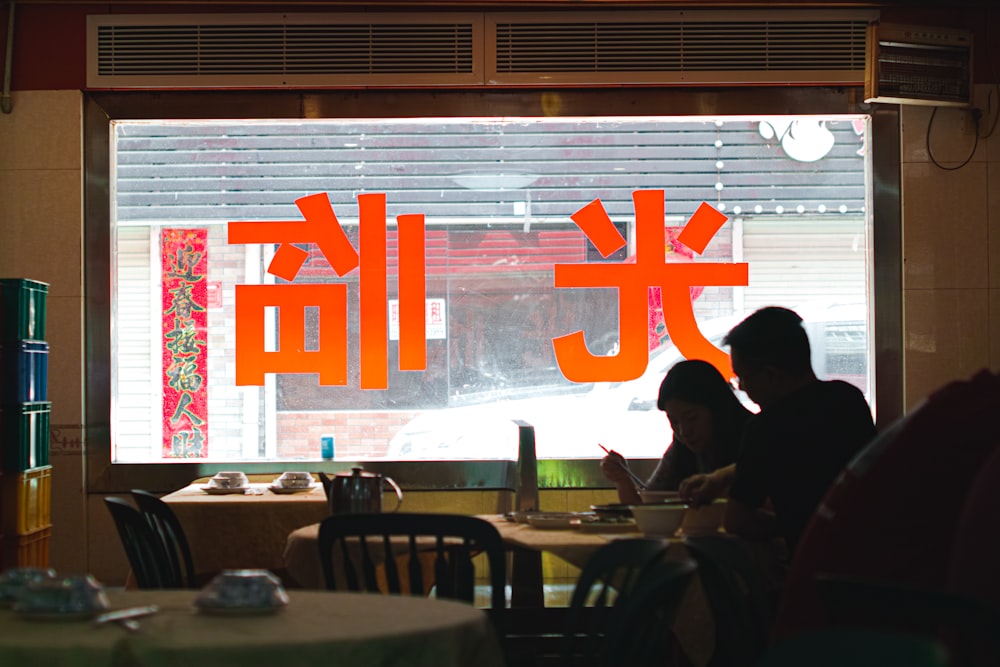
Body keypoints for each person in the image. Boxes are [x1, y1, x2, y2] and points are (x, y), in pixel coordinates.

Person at [679, 306, 876, 555]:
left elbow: (736, 522)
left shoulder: (764, 429)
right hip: (873, 556)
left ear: (770, 375)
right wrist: (721, 477)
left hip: (814, 569)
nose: (742, 388)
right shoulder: (848, 400)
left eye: (742, 378)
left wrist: (791, 526)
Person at [600, 359, 754, 505]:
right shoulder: (681, 450)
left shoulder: (757, 437)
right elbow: (648, 510)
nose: (684, 431)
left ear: (718, 409)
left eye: (691, 418)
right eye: (674, 422)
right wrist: (623, 480)